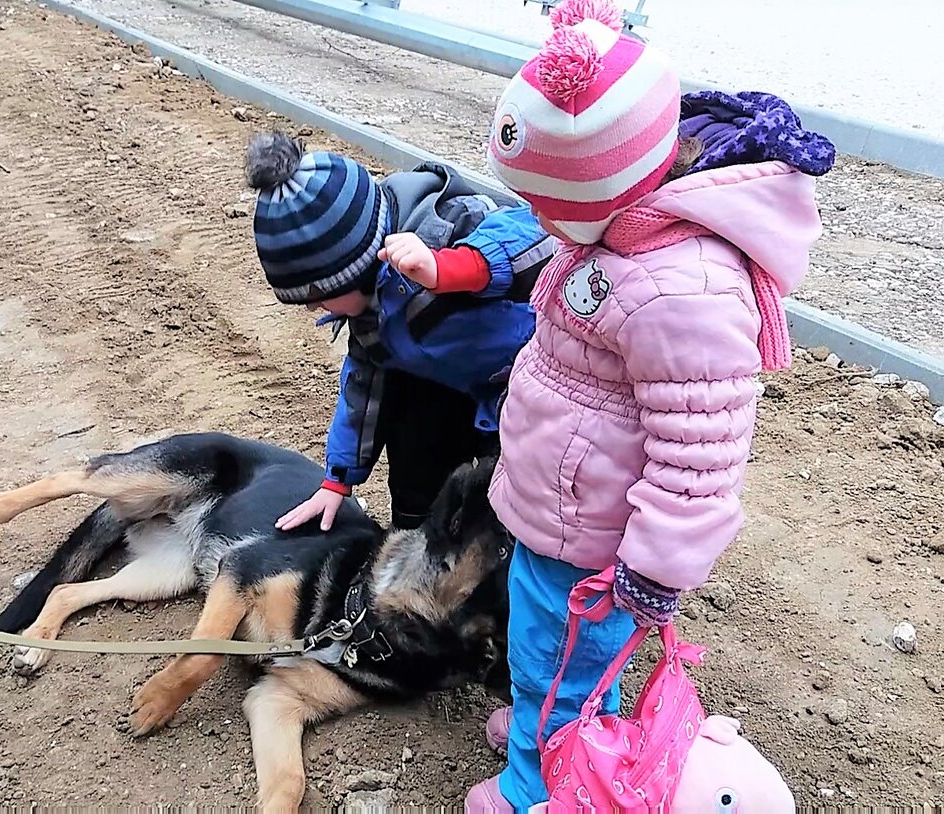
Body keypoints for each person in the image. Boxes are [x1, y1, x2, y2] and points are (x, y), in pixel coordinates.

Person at [439, 0, 836, 809]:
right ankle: (565, 730)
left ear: (607, 184)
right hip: (564, 505)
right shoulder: (619, 235)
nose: (538, 221)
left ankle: (537, 789)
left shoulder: (679, 289)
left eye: (547, 204)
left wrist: (654, 568)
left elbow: (701, 454)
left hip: (597, 536)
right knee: (554, 648)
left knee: (566, 657)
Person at [242, 131, 555, 533]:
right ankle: (417, 527)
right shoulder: (370, 318)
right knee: (402, 398)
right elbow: (362, 392)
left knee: (516, 498)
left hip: (536, 384)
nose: (312, 307)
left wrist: (450, 269)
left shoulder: (447, 228)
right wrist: (338, 479)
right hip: (463, 387)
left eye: (319, 295)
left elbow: (538, 235)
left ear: (355, 268)